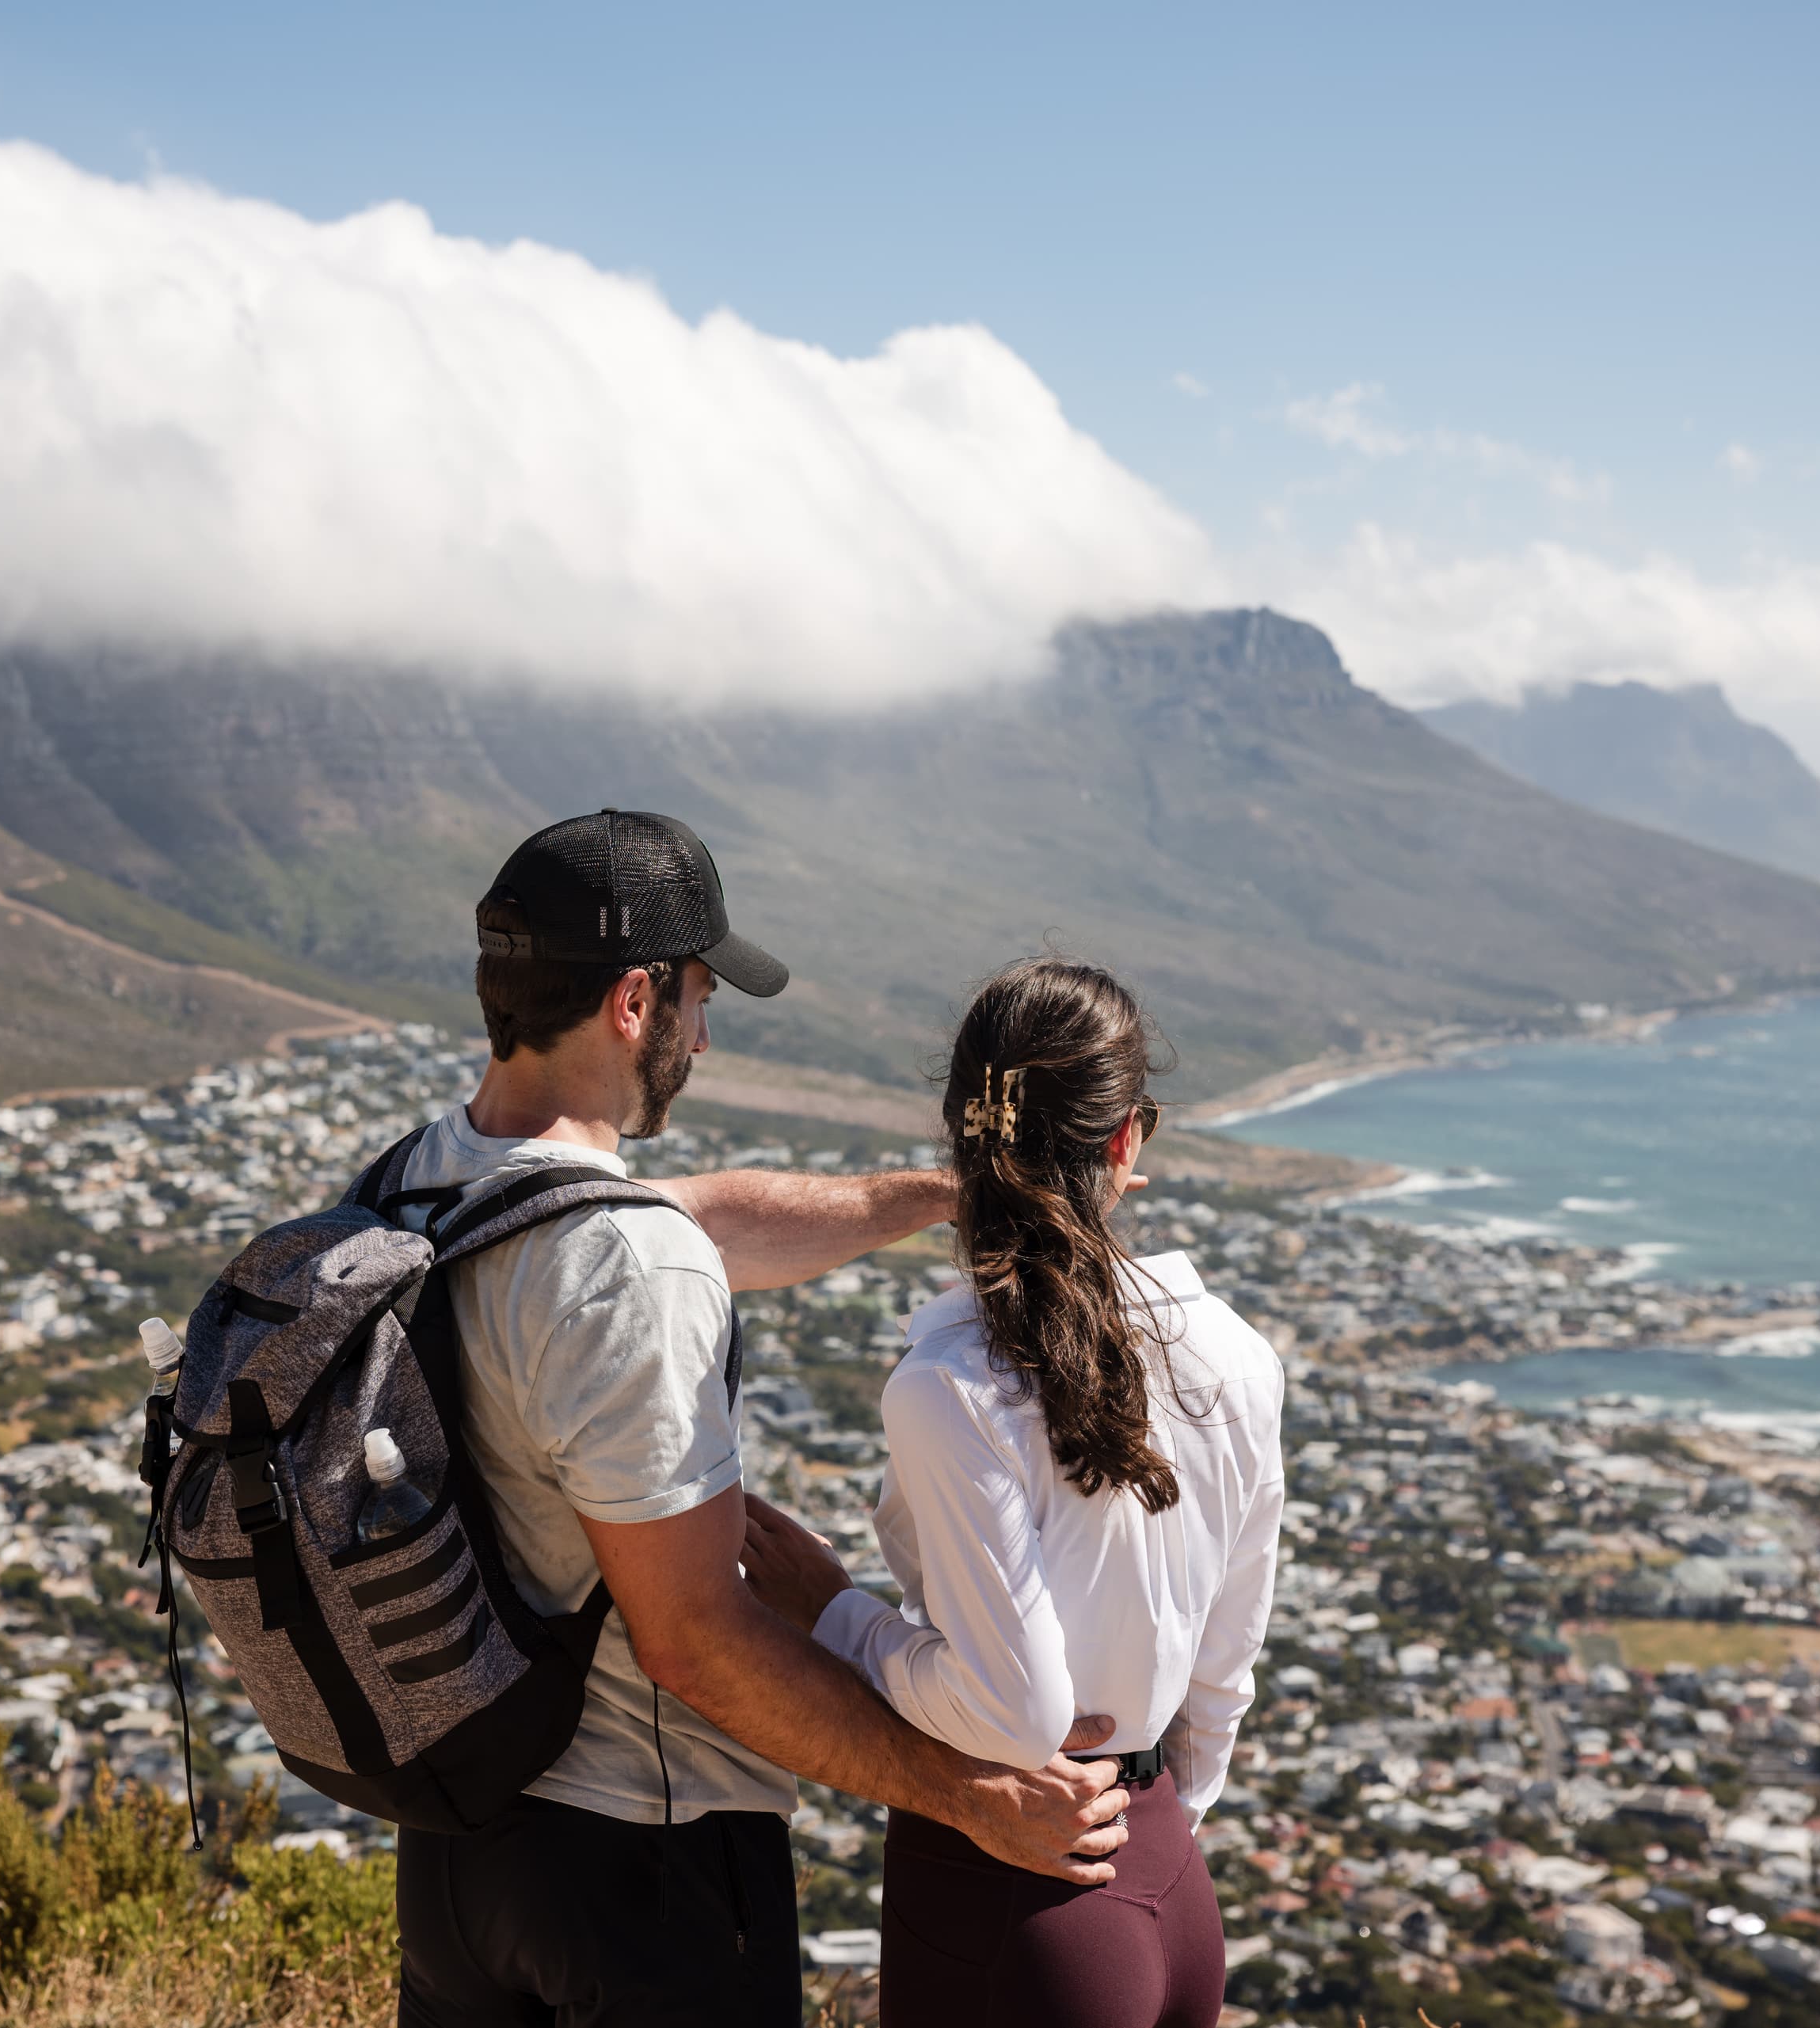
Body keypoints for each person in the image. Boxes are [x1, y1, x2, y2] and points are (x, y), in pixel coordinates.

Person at [392, 812, 1131, 2028]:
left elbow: (709, 1220)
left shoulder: (427, 1183)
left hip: (461, 1852)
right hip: (648, 1859)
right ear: (635, 1000)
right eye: (695, 992)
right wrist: (965, 1793)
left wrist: (949, 1196)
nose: (705, 1025)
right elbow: (695, 1641)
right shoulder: (629, 1267)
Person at [743, 957, 1289, 2028]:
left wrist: (832, 1610)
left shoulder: (956, 1386)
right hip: (1169, 1876)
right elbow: (1226, 1665)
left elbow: (1019, 1709)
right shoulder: (1236, 1354)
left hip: (1018, 1896)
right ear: (1128, 1141)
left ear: (963, 1139)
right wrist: (1158, 1821)